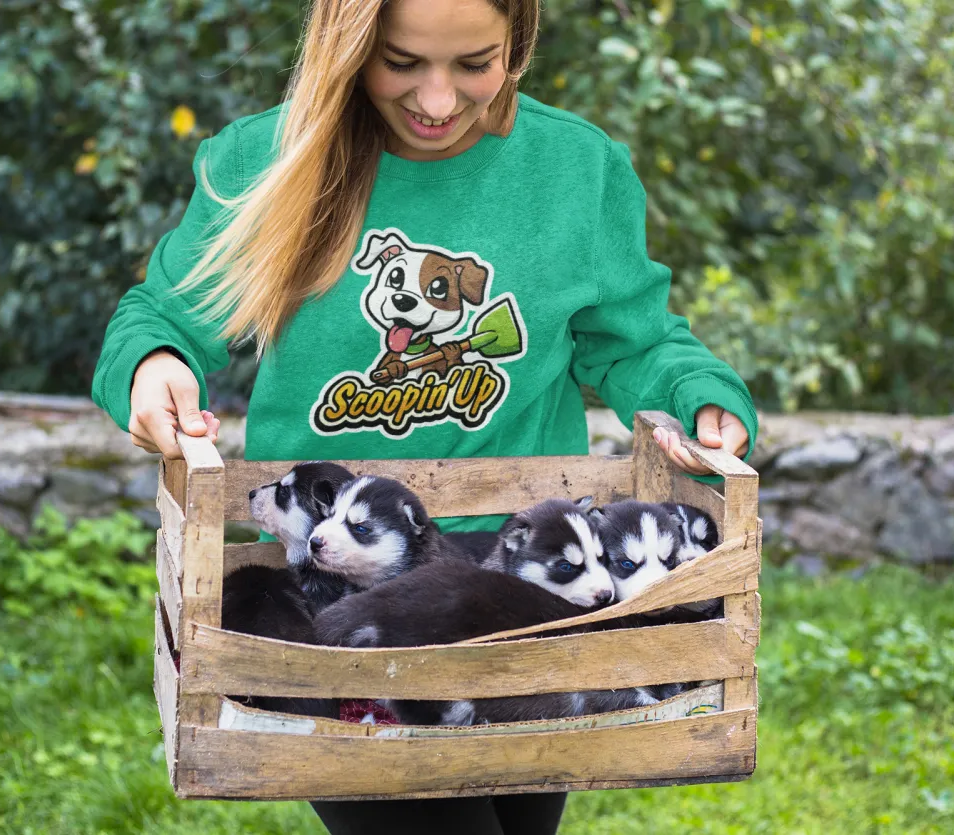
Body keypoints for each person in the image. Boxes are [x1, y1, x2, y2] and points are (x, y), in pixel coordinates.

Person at [92, 0, 757, 831]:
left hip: (526, 604)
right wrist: (153, 363)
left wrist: (699, 391)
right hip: (344, 605)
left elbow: (637, 342)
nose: (438, 101)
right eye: (401, 63)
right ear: (347, 43)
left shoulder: (576, 170)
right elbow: (162, 313)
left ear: (519, 40)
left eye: (475, 64)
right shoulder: (265, 160)